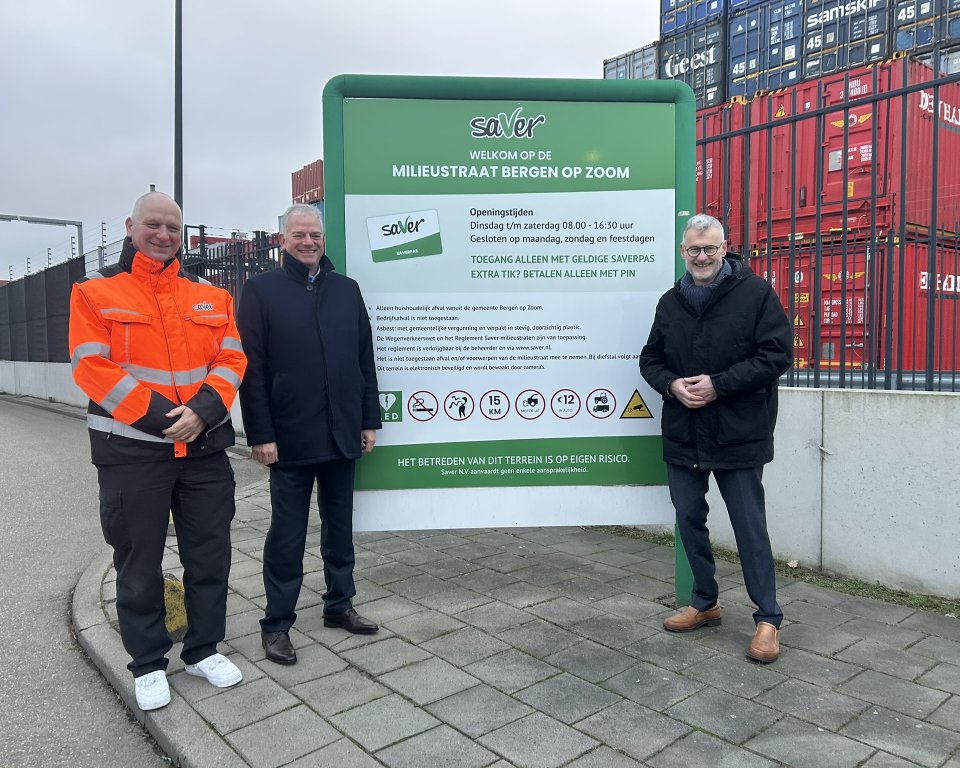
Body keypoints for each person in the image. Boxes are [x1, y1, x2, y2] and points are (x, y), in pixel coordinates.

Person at [69, 191, 247, 710]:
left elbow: (232, 358)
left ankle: (203, 650)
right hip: (132, 456)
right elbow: (91, 367)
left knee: (209, 556)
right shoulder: (94, 291)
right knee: (137, 563)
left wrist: (203, 412)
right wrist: (170, 420)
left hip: (204, 451)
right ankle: (147, 663)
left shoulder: (212, 296)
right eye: (154, 224)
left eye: (173, 227)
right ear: (131, 227)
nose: (164, 235)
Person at [639, 213, 792, 663]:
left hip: (738, 433)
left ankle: (768, 619)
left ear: (725, 248)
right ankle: (705, 602)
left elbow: (777, 355)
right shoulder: (670, 302)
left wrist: (718, 385)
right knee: (689, 518)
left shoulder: (756, 293)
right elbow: (650, 359)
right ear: (683, 252)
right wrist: (672, 385)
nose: (702, 256)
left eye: (710, 248)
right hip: (684, 432)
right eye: (694, 249)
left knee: (749, 525)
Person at [237, 203, 382, 666]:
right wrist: (260, 434)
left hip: (341, 434)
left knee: (340, 530)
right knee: (287, 536)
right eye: (299, 235)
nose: (308, 242)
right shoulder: (260, 291)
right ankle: (277, 624)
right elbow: (251, 370)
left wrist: (368, 421)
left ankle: (339, 604)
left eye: (315, 235)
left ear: (323, 239)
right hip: (289, 439)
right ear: (283, 240)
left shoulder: (346, 290)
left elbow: (364, 361)